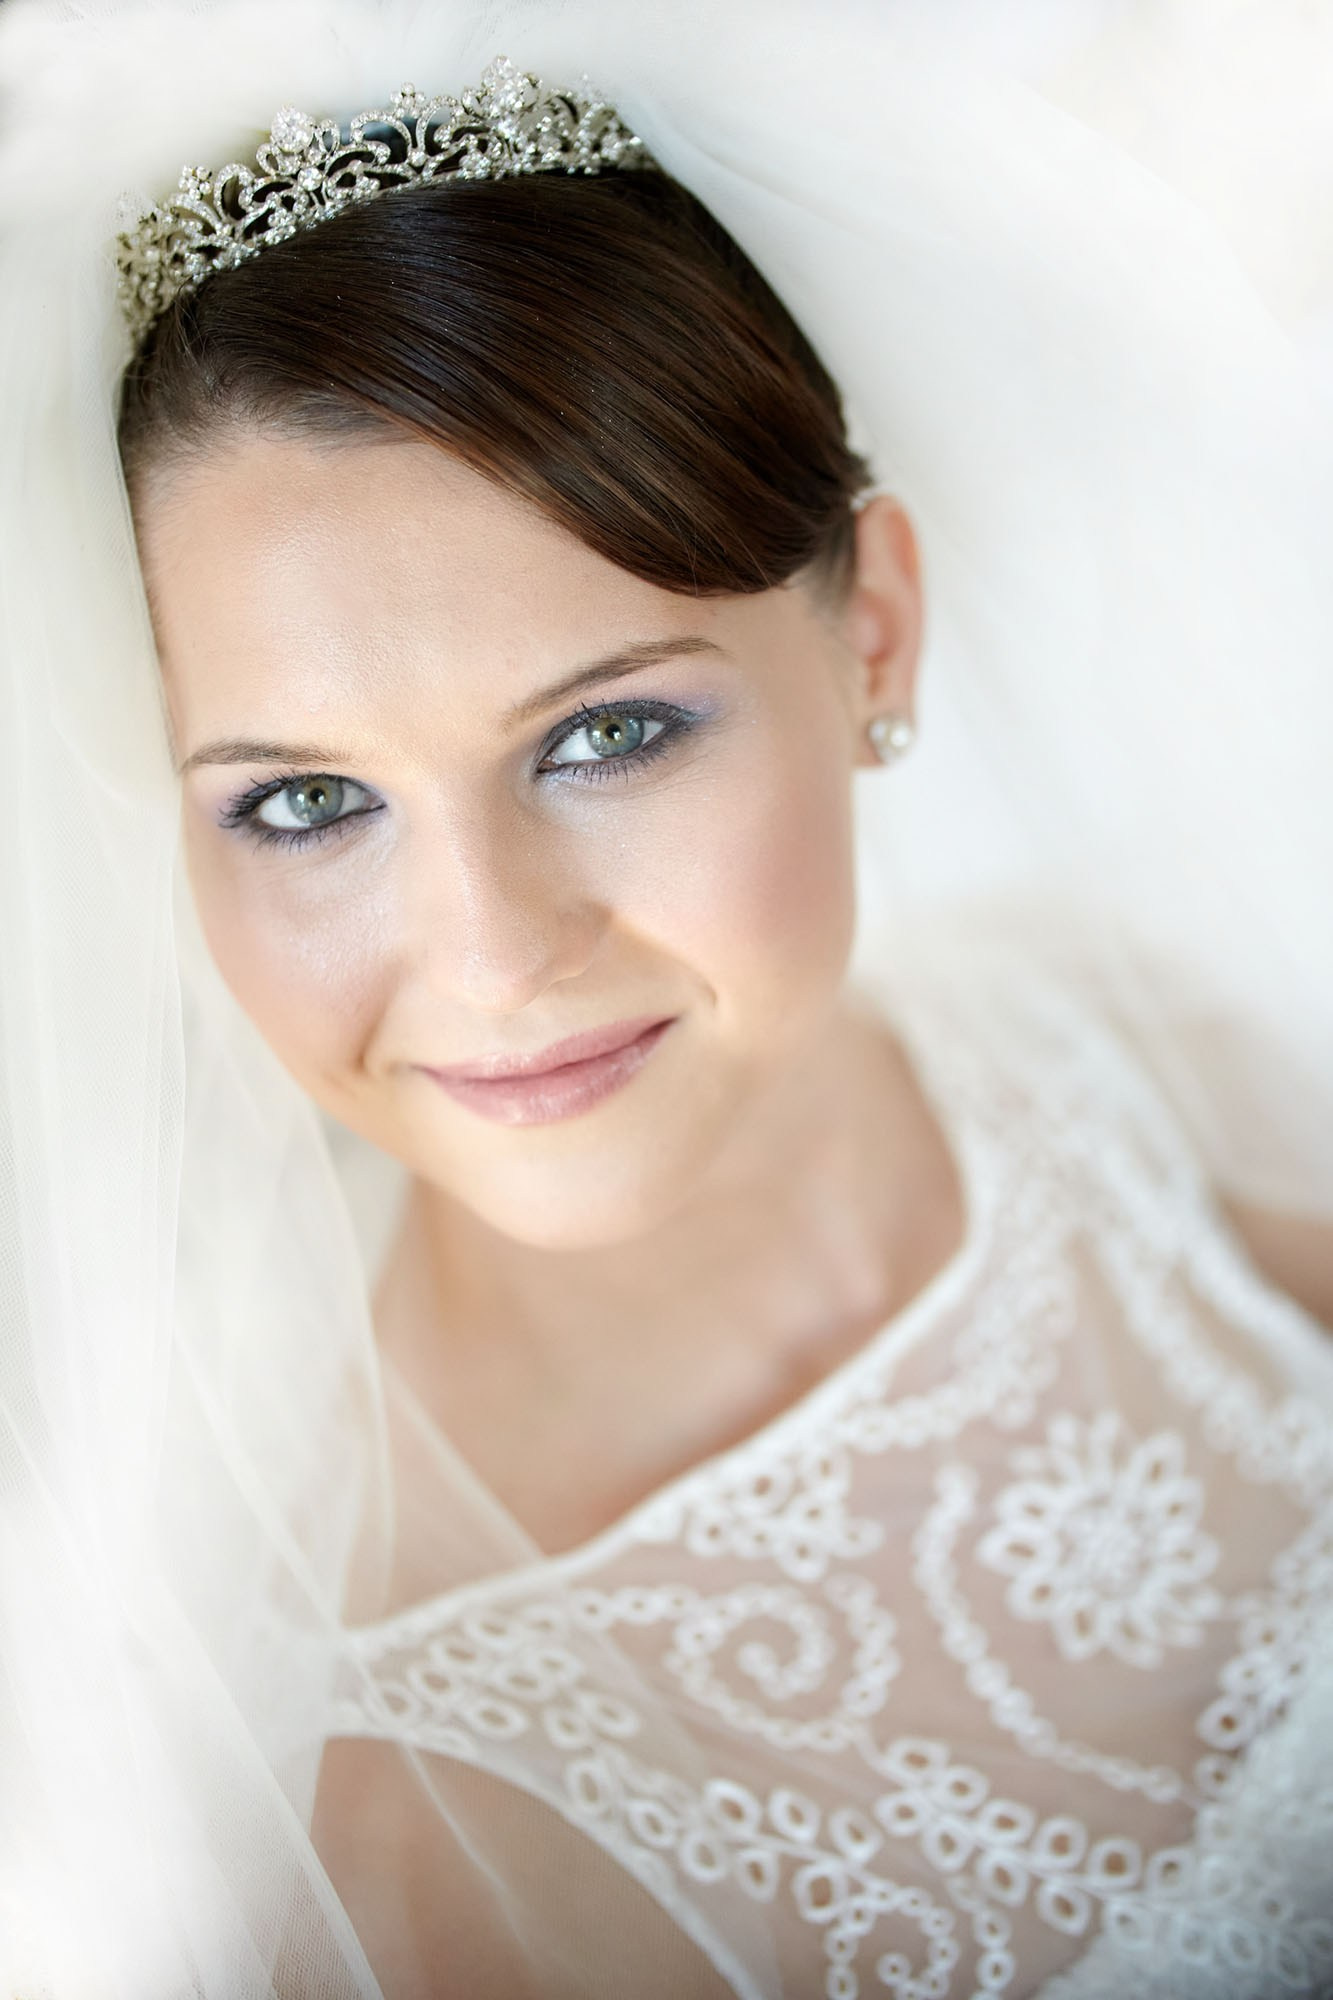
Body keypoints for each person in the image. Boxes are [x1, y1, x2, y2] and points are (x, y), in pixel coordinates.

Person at [2, 3, 1332, 1997]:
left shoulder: (1169, 1064)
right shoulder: (353, 1854)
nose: (491, 951)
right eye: (302, 801)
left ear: (867, 623)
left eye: (608, 730)